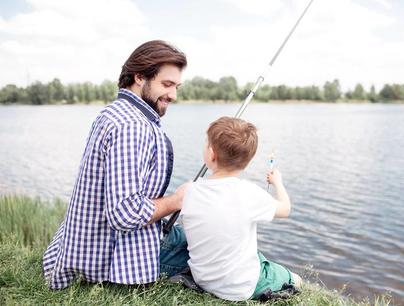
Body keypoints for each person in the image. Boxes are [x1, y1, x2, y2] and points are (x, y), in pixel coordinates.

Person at [43, 40, 190, 289]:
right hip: (111, 261)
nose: (173, 95)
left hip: (84, 247)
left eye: (177, 86)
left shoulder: (113, 112)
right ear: (140, 77)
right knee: (221, 250)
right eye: (167, 84)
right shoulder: (132, 126)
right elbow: (125, 213)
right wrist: (177, 200)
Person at [181, 116, 303, 301]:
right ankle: (283, 280)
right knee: (295, 279)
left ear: (212, 154)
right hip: (239, 288)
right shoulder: (249, 193)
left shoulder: (190, 190)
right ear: (248, 159)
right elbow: (285, 209)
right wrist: (278, 183)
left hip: (202, 279)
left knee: (255, 256)